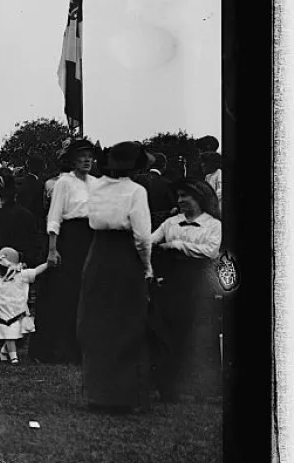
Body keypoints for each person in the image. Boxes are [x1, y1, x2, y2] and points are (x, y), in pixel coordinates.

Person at [76, 141, 155, 412]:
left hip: (97, 255)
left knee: (97, 322)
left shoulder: (95, 187)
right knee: (126, 323)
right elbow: (143, 236)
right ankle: (122, 396)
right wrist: (146, 266)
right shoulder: (136, 191)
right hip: (124, 257)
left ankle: (97, 394)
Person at [149, 178, 223, 402]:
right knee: (170, 332)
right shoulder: (171, 223)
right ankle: (169, 388)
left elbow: (211, 250)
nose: (180, 201)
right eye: (178, 196)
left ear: (199, 198)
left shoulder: (213, 225)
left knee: (200, 334)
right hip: (172, 282)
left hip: (199, 283)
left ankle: (204, 390)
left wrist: (177, 245)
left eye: (185, 196)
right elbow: (151, 241)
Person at [38, 137, 99, 365]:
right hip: (69, 239)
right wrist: (53, 249)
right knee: (66, 294)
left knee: (88, 293)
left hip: (91, 238)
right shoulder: (64, 182)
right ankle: (59, 349)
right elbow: (54, 215)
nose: (86, 160)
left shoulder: (95, 183)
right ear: (72, 160)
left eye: (89, 157)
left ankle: (83, 348)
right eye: (81, 157)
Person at [0, 247, 48, 365]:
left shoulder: (21, 276)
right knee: (10, 334)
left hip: (20, 312)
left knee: (21, 334)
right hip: (4, 312)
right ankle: (13, 357)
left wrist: (47, 264)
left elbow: (35, 271)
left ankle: (4, 351)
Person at [134, 152, 176, 230]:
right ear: (164, 166)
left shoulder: (137, 179)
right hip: (159, 228)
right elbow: (173, 208)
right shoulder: (168, 184)